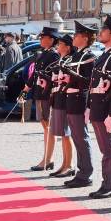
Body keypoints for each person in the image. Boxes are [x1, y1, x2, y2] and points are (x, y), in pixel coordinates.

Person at [87, 15, 111, 199]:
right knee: (105, 150)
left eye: (104, 30)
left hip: (106, 110)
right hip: (97, 108)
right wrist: (89, 107)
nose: (100, 33)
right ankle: (106, 183)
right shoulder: (104, 56)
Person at [63, 21, 97, 189]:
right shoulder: (77, 55)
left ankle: (86, 173)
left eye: (76, 35)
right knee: (77, 138)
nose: (73, 38)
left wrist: (71, 75)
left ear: (84, 38)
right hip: (71, 99)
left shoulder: (88, 56)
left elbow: (89, 82)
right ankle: (81, 171)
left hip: (79, 100)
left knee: (82, 138)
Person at [23, 27, 61, 171]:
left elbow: (54, 76)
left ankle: (48, 159)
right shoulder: (43, 54)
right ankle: (47, 158)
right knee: (45, 127)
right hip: (39, 94)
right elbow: (35, 74)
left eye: (42, 37)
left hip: (47, 95)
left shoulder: (54, 55)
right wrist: (26, 88)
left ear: (51, 40)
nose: (40, 39)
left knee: (49, 128)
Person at [48, 34, 76, 177]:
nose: (58, 46)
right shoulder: (61, 60)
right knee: (61, 134)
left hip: (64, 99)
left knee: (66, 134)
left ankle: (69, 165)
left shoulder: (69, 61)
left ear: (68, 47)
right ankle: (64, 164)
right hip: (58, 98)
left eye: (60, 44)